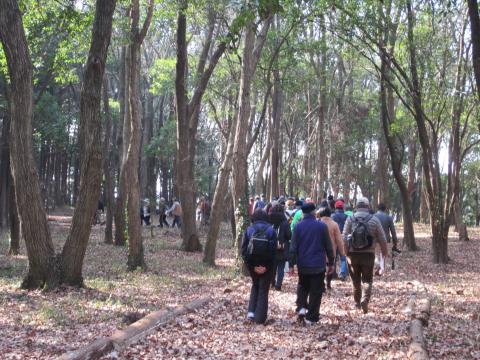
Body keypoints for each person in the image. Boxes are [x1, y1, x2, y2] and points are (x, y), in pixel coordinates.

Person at [289, 202, 334, 325]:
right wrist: (331, 262)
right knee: (316, 291)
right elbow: (328, 246)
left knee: (303, 286)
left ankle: (302, 308)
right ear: (314, 212)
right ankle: (312, 317)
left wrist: (291, 265)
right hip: (318, 265)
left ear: (303, 213)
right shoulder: (321, 226)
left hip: (303, 264)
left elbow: (293, 247)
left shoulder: (298, 227)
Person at [343, 197, 388, 314]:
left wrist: (345, 252)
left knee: (355, 281)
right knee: (367, 280)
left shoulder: (350, 219)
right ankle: (365, 300)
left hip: (352, 255)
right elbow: (382, 237)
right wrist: (385, 251)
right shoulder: (374, 220)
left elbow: (344, 237)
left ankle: (357, 303)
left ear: (356, 206)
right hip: (368, 254)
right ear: (368, 206)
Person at [241, 209, 277, 324]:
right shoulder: (271, 231)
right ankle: (260, 318)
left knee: (255, 286)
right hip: (266, 266)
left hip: (253, 264)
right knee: (263, 289)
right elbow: (273, 252)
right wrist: (266, 267)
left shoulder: (249, 230)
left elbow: (243, 250)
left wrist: (252, 267)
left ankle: (251, 313)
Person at [317, 206, 347, 289]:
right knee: (330, 267)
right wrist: (342, 252)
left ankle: (321, 284)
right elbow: (339, 240)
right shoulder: (334, 224)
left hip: (318, 251)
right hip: (331, 250)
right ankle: (328, 283)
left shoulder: (317, 223)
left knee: (320, 268)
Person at [269, 203, 292, 291]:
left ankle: (272, 282)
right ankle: (278, 285)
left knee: (273, 267)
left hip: (272, 247)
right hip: (282, 247)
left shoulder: (270, 221)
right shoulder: (285, 222)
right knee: (281, 267)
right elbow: (289, 235)